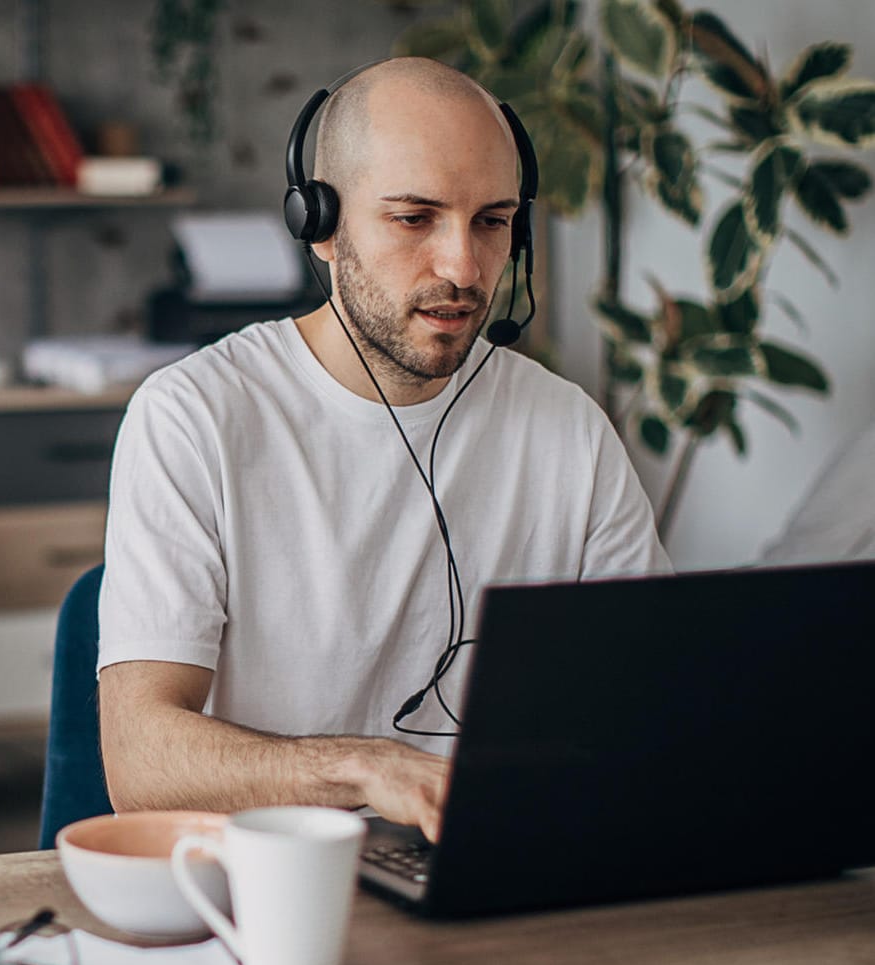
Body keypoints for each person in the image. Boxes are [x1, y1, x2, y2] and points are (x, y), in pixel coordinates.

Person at [95, 57, 671, 843]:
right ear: (319, 224)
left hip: (497, 865)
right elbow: (139, 765)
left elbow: (652, 700)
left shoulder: (565, 426)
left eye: (492, 221)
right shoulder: (194, 415)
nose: (463, 268)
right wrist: (366, 769)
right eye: (414, 219)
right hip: (270, 890)